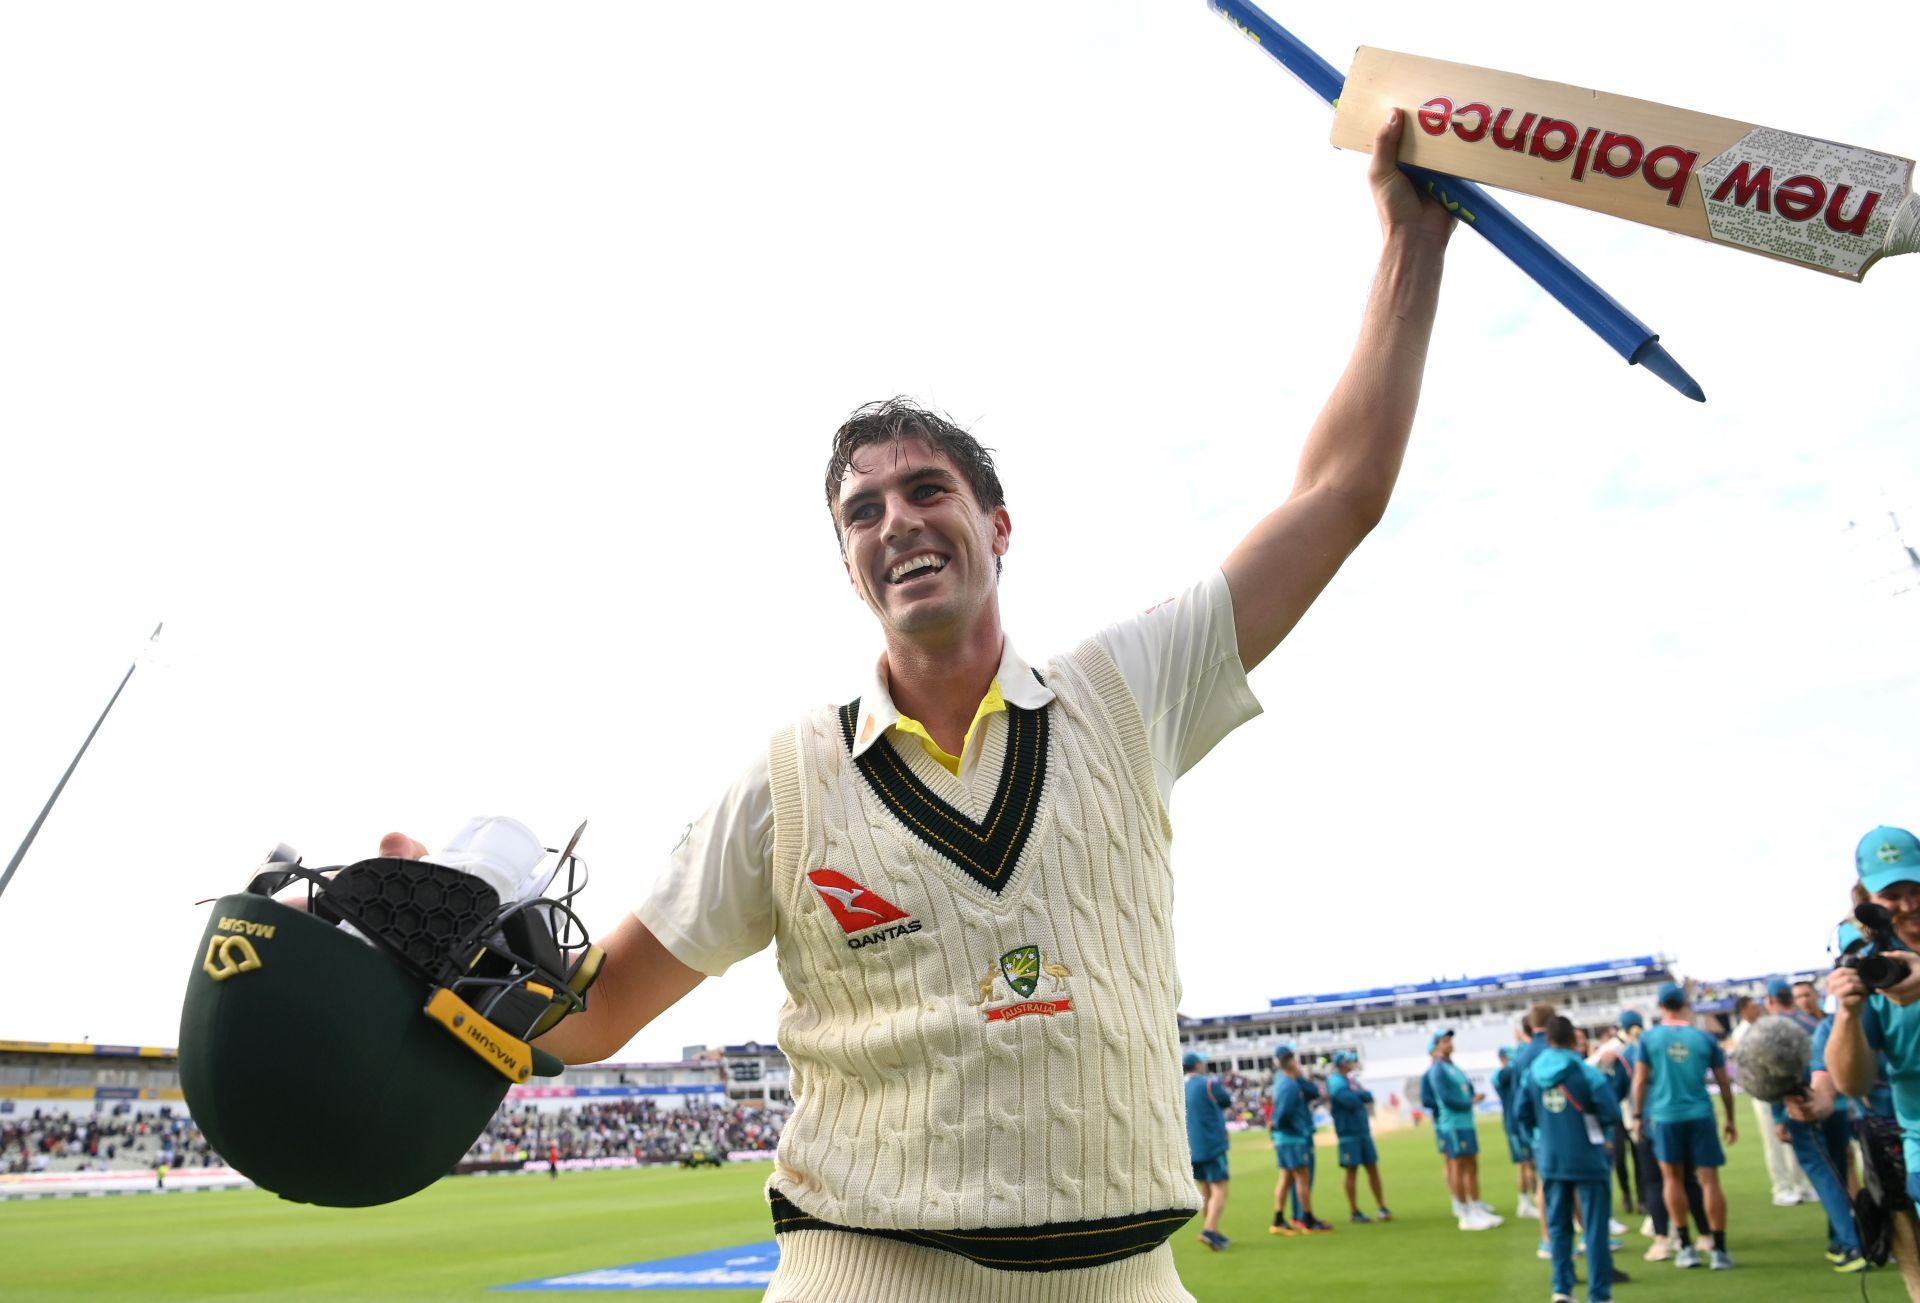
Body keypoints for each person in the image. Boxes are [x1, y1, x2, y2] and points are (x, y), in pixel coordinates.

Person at [382, 106, 1454, 1299]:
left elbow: (1342, 491)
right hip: (870, 1275)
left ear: (996, 525)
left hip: (1126, 1276)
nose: (895, 520)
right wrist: (433, 933)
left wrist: (1412, 243)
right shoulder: (787, 778)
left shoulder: (1128, 688)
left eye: (926, 489)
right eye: (862, 510)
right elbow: (591, 1018)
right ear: (847, 563)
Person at [1825, 824, 1920, 1300]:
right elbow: (1853, 1080)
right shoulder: (1868, 962)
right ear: (1866, 898)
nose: (1908, 904)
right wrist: (1848, 1013)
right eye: (1892, 894)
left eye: (1916, 888)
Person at [1514, 1017, 1621, 1303]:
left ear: (1548, 1040)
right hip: (1587, 1157)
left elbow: (1521, 1114)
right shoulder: (1585, 1072)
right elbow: (1611, 1111)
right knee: (1595, 1229)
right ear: (1574, 1040)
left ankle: (1562, 1288)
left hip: (1551, 1158)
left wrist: (1541, 1138)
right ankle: (1599, 1294)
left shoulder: (1533, 1072)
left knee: (1559, 1227)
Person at [1631, 982, 1737, 1270]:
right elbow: (1724, 1082)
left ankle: (1686, 1246)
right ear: (1684, 1004)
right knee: (1709, 1181)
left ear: (1661, 1005)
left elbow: (1640, 1081)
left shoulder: (1650, 1038)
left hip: (1665, 1116)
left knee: (1672, 1180)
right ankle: (1718, 1248)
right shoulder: (1703, 1038)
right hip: (1700, 1113)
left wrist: (1638, 1115)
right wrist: (1730, 1118)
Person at [1748, 977, 1819, 1206]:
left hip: (1777, 1096)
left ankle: (1784, 1188)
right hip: (1814, 1092)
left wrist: (1779, 1113)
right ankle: (1802, 1186)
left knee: (1777, 1143)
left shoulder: (1768, 1028)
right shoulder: (1810, 1022)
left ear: (1769, 1000)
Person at [1424, 1029, 1499, 1230]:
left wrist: (1472, 1098)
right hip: (1453, 1124)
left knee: (1471, 1165)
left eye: (1450, 1040)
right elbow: (1446, 1097)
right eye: (1445, 1041)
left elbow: (1465, 1089)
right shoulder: (1437, 1070)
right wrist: (1469, 1101)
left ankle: (1475, 1207)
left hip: (1465, 1122)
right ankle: (1464, 1213)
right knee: (1457, 1166)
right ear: (1436, 1046)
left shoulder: (1453, 1067)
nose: (1450, 1044)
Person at [1268, 1045, 1334, 1236]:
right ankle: (1306, 1219)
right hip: (1293, 1138)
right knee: (1302, 1179)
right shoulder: (1289, 1084)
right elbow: (1284, 1113)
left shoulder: (1282, 1081)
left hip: (1284, 1138)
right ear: (1292, 1063)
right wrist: (1286, 1126)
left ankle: (1279, 1219)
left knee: (1285, 1178)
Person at [1326, 1051, 1390, 1223]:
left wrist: (1360, 1096)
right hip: (1348, 1132)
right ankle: (1354, 1211)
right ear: (1341, 1063)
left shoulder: (1350, 1081)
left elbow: (1367, 1096)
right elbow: (1349, 1100)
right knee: (1351, 1171)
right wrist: (1360, 1096)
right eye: (1348, 1061)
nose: (1352, 1063)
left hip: (1362, 1130)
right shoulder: (1336, 1082)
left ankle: (1382, 1206)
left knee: (1372, 1168)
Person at [1183, 1051, 1233, 1251]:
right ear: (1197, 1065)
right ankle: (1209, 1230)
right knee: (1220, 1187)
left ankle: (1213, 1231)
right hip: (1211, 1144)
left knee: (1206, 1188)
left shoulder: (1179, 1087)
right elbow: (1226, 1100)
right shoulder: (1208, 1084)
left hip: (1190, 1148)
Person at [1492, 1045, 1539, 1219]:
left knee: (1525, 1163)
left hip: (1518, 1123)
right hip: (1514, 1124)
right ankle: (1534, 1200)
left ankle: (1525, 1201)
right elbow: (1501, 1079)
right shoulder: (1501, 1074)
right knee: (1527, 1163)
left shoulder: (1513, 1072)